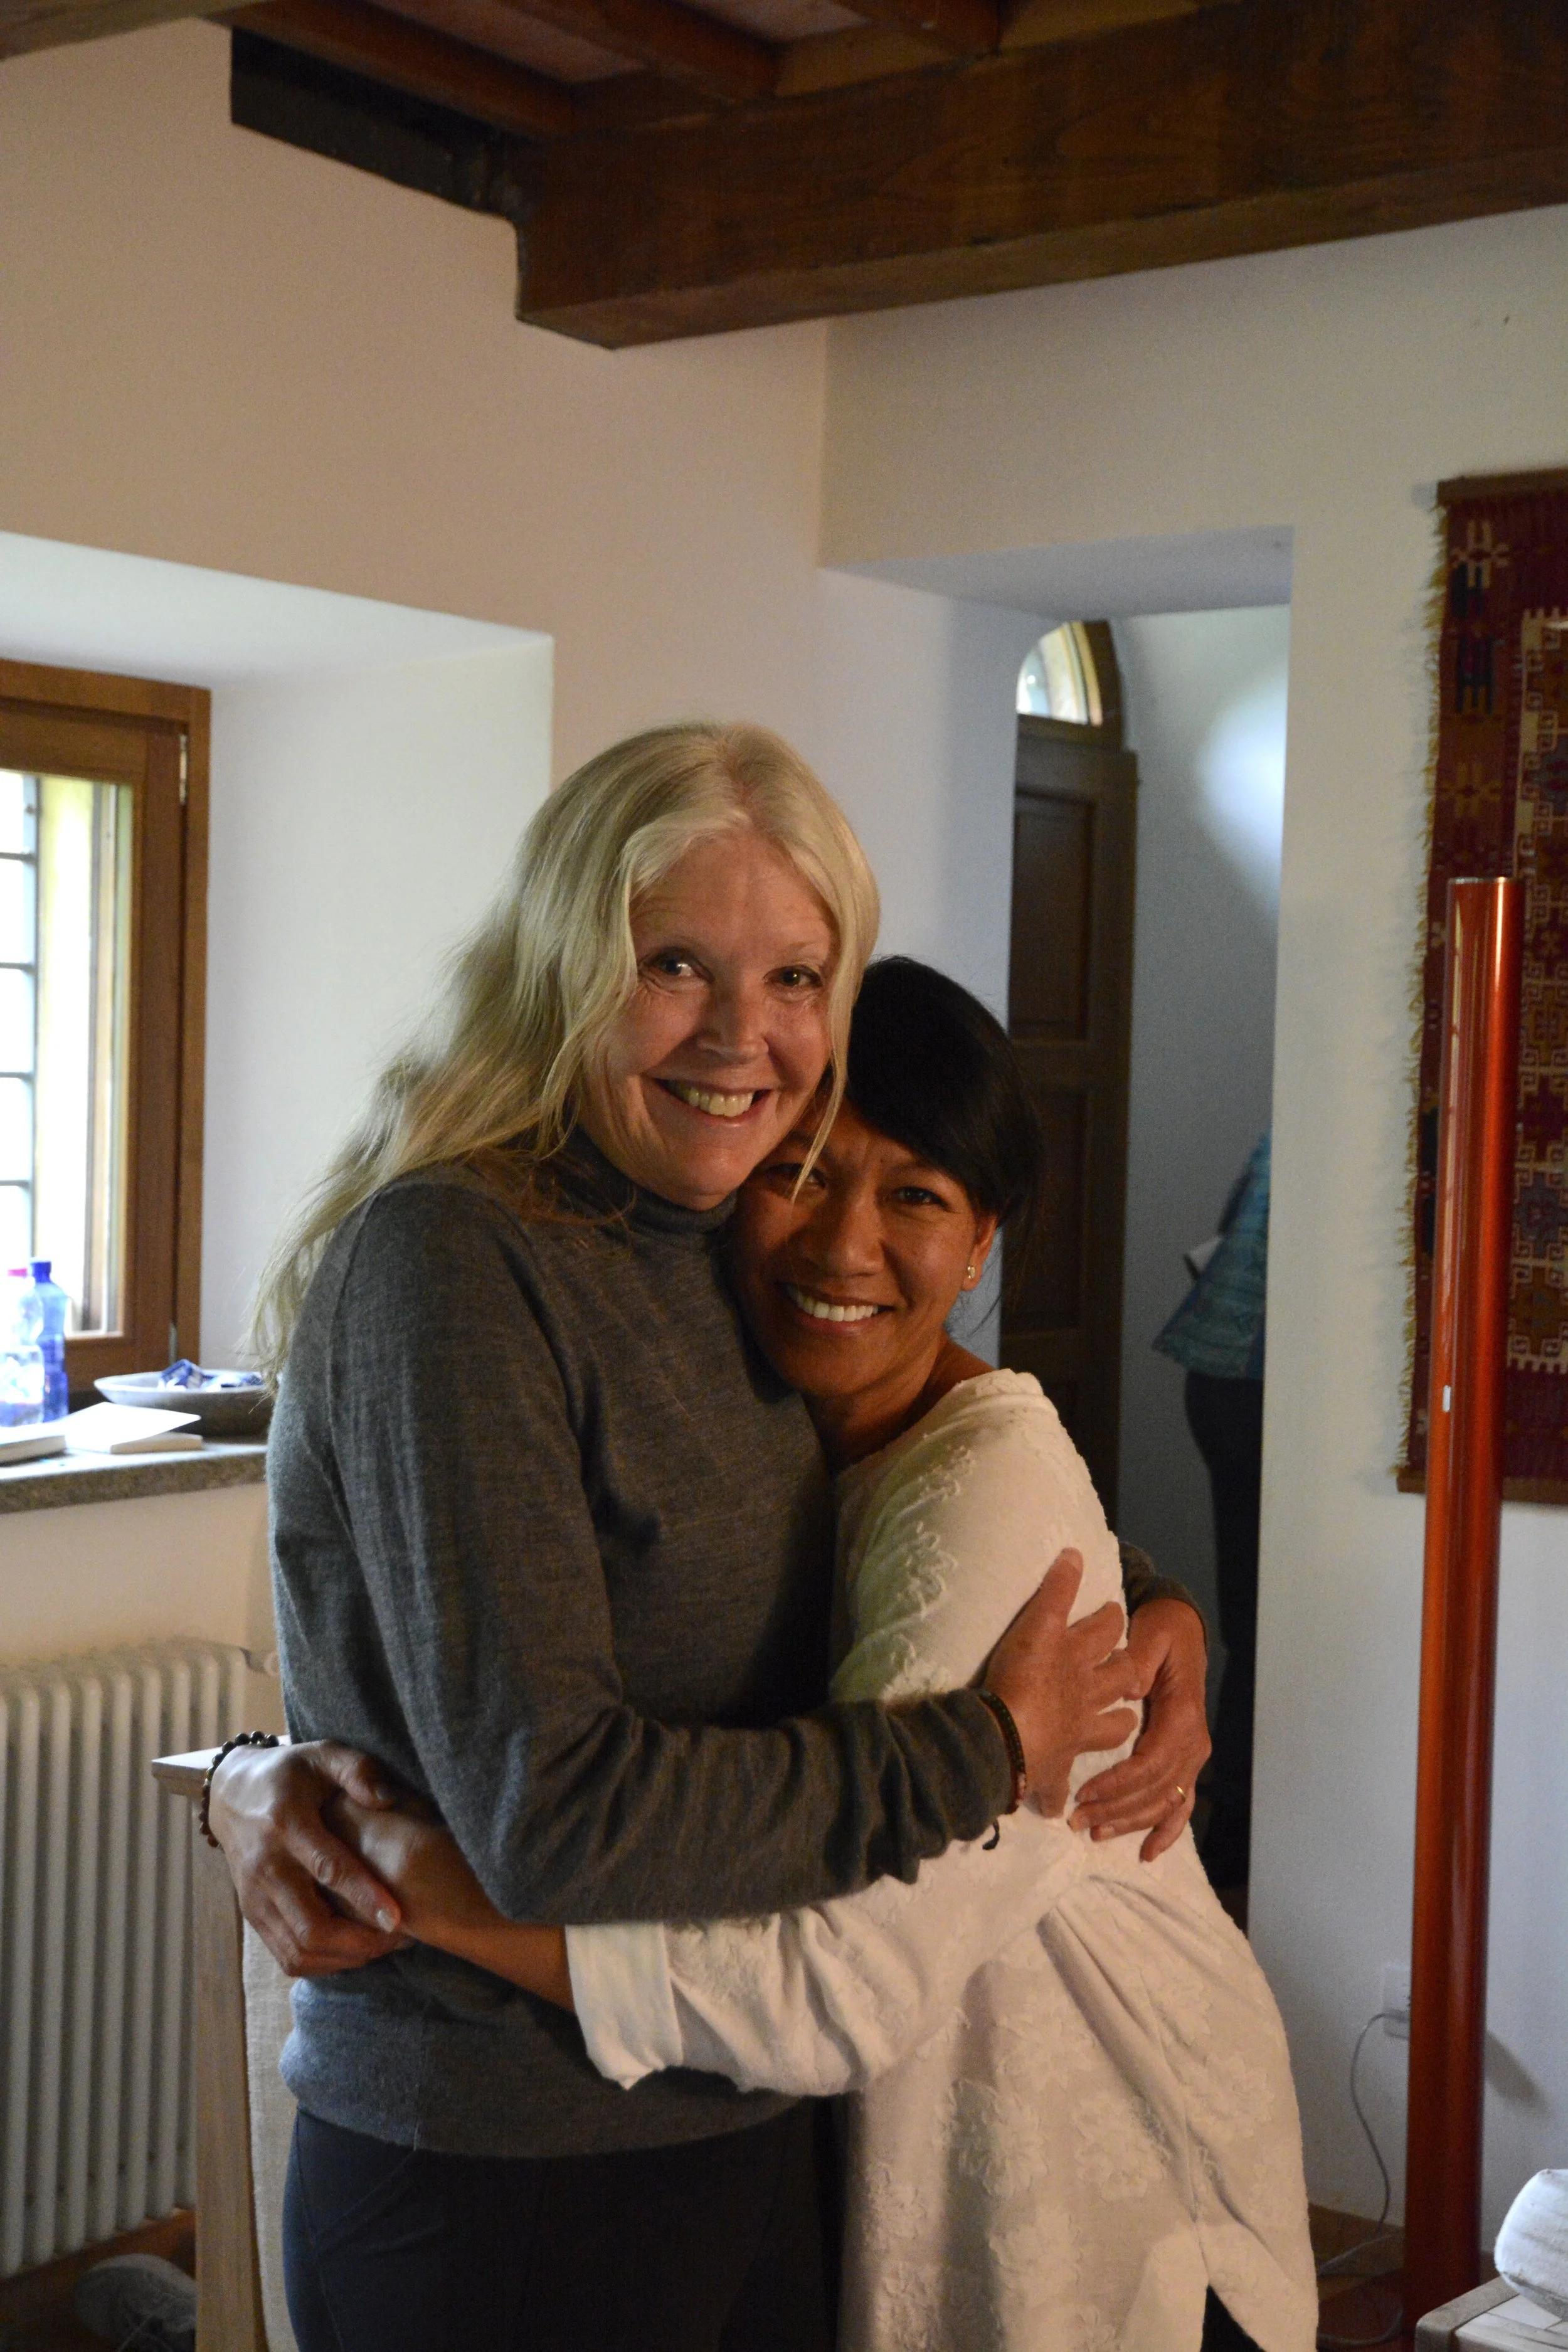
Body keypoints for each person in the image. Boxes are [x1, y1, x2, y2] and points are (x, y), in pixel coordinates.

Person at [209, 724, 1212, 2352]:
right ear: (562, 964)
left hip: (736, 2122)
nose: (743, 1033)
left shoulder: (709, 1229)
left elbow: (884, 1453)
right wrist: (983, 1742)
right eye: (675, 963)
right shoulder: (460, 1260)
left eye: (796, 977)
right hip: (503, 2168)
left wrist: (1149, 1600)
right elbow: (553, 1810)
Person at [322, 961, 1316, 2352]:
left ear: (982, 1246)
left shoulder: (982, 1488)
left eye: (913, 1196)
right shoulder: (761, 1405)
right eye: (797, 1173)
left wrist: (436, 1901)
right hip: (885, 2185)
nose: (841, 1246)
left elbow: (840, 1980)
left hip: (1110, 2202)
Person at [1155, 1130, 1270, 1895]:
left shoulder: (1286, 1129)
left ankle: (1229, 1849)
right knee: (1265, 1638)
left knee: (1255, 1635)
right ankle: (1229, 1857)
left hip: (1228, 1381)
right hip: (1250, 1387)